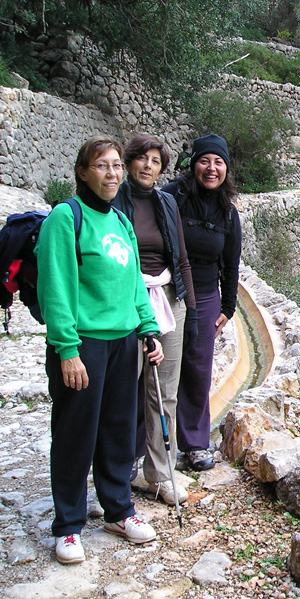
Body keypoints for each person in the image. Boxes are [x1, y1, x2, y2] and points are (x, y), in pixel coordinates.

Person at [36, 136, 164, 565]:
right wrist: (67, 349)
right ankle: (69, 525)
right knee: (75, 433)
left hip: (123, 342)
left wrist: (148, 330)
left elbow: (133, 284)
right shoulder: (64, 218)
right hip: (84, 344)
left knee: (117, 430)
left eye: (115, 166)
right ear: (82, 172)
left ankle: (118, 510)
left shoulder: (121, 222)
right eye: (102, 166)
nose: (112, 174)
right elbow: (56, 289)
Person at [113, 134, 197, 506]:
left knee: (166, 392)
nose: (148, 166)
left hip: (166, 300)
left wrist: (189, 310)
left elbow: (180, 258)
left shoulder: (166, 203)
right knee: (120, 392)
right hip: (125, 301)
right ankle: (111, 475)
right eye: (142, 159)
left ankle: (161, 474)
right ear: (129, 162)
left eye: (156, 161)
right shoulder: (113, 202)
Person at [162, 134, 241, 471]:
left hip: (207, 295)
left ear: (225, 169)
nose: (211, 168)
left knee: (197, 369)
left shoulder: (227, 212)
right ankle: (145, 446)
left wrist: (228, 307)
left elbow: (231, 264)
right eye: (205, 161)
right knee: (160, 369)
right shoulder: (171, 198)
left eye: (218, 162)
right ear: (193, 163)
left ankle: (194, 444)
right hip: (167, 292)